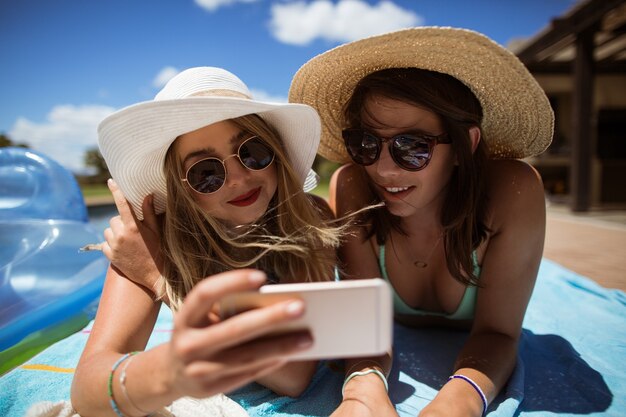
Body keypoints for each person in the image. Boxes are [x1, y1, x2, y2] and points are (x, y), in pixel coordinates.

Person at [289, 27, 554, 417]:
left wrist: (456, 404)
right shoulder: (354, 185)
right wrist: (362, 393)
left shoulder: (513, 191)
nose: (382, 169)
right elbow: (364, 321)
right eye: (365, 143)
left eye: (412, 147)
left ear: (468, 144)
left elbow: (498, 334)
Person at [71, 67, 342, 416]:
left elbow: (293, 373)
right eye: (207, 172)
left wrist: (160, 279)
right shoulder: (150, 241)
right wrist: (166, 373)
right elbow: (86, 389)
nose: (240, 178)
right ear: (182, 188)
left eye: (252, 151)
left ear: (275, 151)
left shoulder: (309, 217)